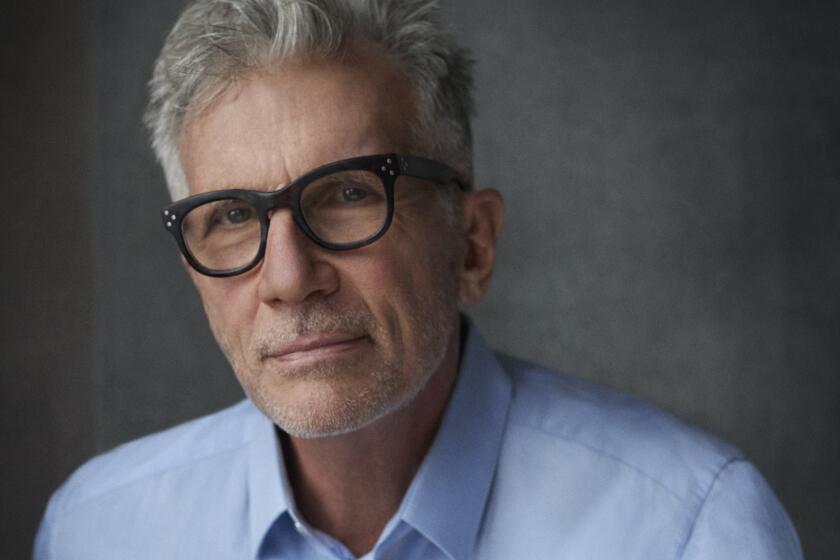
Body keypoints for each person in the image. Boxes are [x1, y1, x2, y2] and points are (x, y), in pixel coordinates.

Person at [35, 1, 802, 558]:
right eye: (233, 215)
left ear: (472, 243)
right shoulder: (97, 530)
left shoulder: (689, 528)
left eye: (347, 194)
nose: (288, 278)